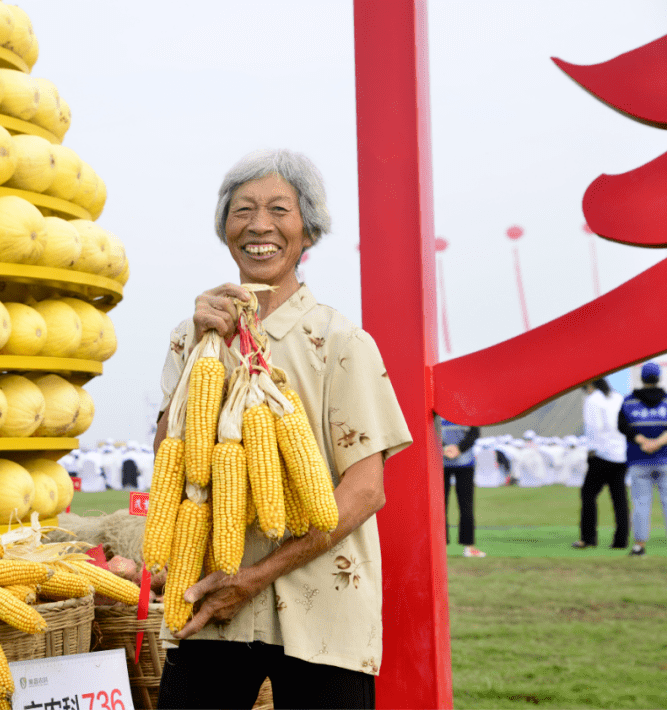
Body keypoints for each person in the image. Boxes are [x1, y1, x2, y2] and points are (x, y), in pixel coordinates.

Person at [152, 149, 412, 709]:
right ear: (225, 228)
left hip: (324, 613)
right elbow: (171, 464)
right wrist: (205, 346)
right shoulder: (191, 335)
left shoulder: (342, 342)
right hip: (211, 598)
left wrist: (256, 576)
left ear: (307, 230)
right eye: (242, 210)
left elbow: (366, 489)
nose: (259, 226)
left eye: (279, 209)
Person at [617, 362, 667, 559]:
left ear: (642, 379)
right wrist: (658, 443)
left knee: (641, 504)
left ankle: (639, 547)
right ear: (658, 378)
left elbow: (624, 427)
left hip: (638, 460)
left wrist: (644, 442)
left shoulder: (628, 402)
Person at [573, 378, 628, 549]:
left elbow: (592, 428)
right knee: (619, 498)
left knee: (588, 495)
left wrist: (591, 452)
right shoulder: (617, 397)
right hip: (621, 454)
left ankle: (588, 538)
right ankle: (621, 541)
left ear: (589, 385)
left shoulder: (592, 400)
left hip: (602, 454)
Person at [440, 418, 486, 557]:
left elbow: (475, 433)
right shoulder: (435, 407)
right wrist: (443, 448)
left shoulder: (469, 410)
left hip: (465, 464)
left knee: (466, 506)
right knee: (439, 507)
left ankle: (469, 547)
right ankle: (439, 548)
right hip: (441, 463)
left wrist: (459, 449)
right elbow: (429, 431)